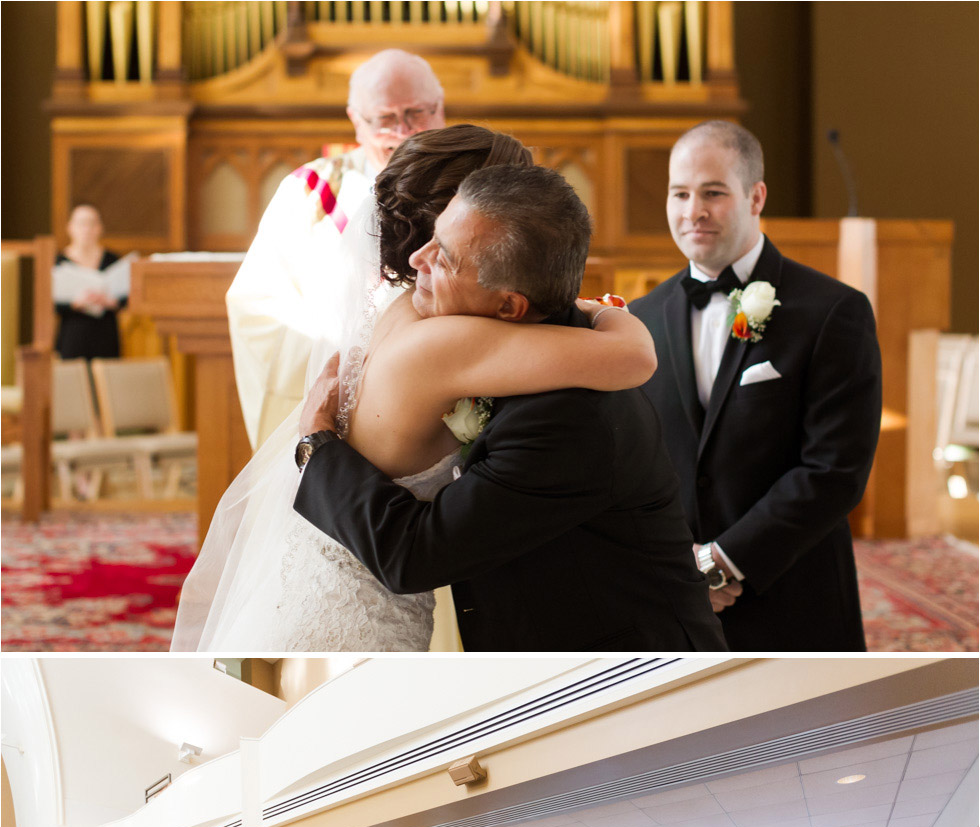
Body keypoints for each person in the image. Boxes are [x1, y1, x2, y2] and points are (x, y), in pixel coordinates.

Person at [175, 124, 654, 652]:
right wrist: (607, 313)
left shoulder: (400, 304)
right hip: (356, 616)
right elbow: (633, 359)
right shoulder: (450, 336)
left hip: (306, 580)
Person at [294, 160, 727, 654]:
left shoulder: (567, 421)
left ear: (509, 307)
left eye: (446, 259)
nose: (417, 259)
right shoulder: (534, 338)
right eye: (433, 237)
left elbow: (412, 555)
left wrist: (316, 443)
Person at [630, 120, 882, 652]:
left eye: (713, 193)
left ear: (756, 196)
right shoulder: (639, 320)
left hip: (793, 595)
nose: (692, 211)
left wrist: (725, 562)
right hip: (673, 606)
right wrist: (676, 571)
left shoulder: (834, 311)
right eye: (680, 193)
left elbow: (835, 469)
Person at [226, 49, 446, 448]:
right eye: (385, 119)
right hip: (344, 385)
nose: (404, 131)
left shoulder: (477, 185)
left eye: (417, 113)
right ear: (355, 120)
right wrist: (343, 339)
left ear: (441, 106)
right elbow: (257, 304)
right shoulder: (309, 191)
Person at [53, 204, 126, 360]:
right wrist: (76, 303)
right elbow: (49, 304)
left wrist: (111, 302)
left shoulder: (112, 260)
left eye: (92, 224)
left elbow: (127, 297)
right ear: (70, 227)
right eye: (81, 223)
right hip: (73, 335)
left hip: (105, 333)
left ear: (100, 228)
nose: (86, 229)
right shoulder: (59, 262)